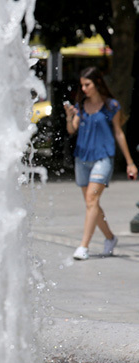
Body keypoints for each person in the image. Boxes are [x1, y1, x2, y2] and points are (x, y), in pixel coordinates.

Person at [64, 66, 137, 260]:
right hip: (82, 158)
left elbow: (119, 133)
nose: (84, 88)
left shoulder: (111, 106)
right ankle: (110, 238)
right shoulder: (81, 105)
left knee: (91, 201)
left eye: (87, 84)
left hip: (103, 157)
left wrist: (130, 162)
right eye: (82, 85)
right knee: (92, 204)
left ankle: (83, 246)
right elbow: (72, 130)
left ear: (97, 83)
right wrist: (70, 116)